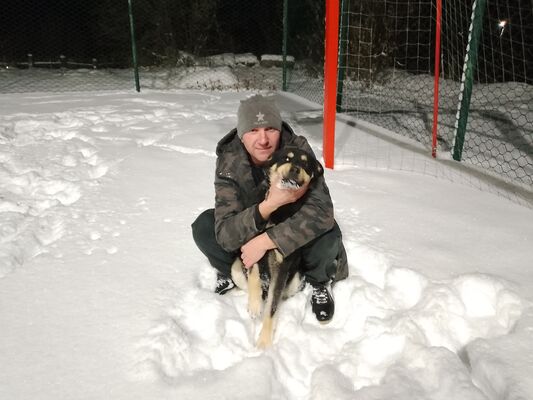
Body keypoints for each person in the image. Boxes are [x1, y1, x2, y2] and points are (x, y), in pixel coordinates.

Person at [191, 94, 348, 323]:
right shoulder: (229, 160)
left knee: (328, 232)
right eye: (253, 130)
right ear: (241, 135)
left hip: (292, 233)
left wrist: (266, 241)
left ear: (279, 129)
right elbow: (225, 232)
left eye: (270, 129)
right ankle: (235, 272)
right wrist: (269, 205)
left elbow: (321, 211)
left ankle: (317, 281)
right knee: (205, 226)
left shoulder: (297, 148)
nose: (263, 139)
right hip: (251, 228)